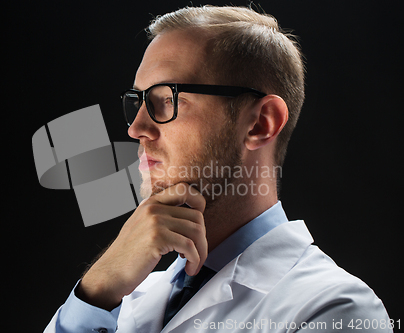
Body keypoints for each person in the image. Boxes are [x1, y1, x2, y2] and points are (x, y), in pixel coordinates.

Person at [44, 5, 391, 333]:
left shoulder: (334, 309)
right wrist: (98, 286)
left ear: (260, 124)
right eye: (138, 101)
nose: (136, 128)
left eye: (167, 99)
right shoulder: (117, 299)